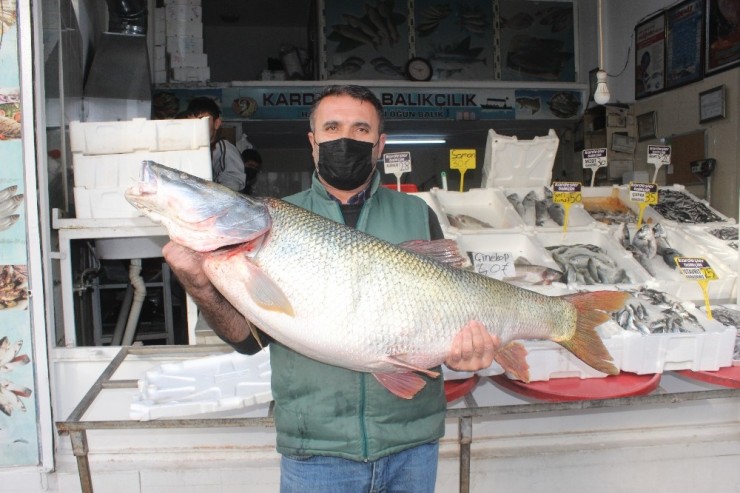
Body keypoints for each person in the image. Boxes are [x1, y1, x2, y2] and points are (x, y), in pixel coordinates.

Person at [163, 84, 498, 493]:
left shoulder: (416, 212)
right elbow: (246, 339)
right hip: (316, 449)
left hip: (411, 444)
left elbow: (444, 307)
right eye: (332, 127)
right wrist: (196, 279)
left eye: (360, 129)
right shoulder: (276, 221)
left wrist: (466, 349)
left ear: (380, 144)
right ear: (313, 141)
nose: (345, 139)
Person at [186, 96, 246, 192]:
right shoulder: (189, 150)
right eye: (192, 122)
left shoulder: (223, 148)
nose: (197, 127)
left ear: (216, 123)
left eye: (202, 121)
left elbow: (232, 182)